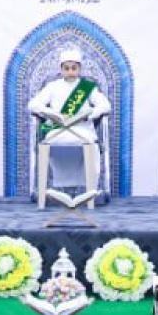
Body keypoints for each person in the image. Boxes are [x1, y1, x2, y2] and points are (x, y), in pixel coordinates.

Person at [27, 48, 111, 202]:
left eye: (74, 68)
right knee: (49, 141)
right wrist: (50, 113)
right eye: (67, 68)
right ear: (61, 69)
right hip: (58, 130)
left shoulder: (86, 87)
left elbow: (105, 105)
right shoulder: (52, 87)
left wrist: (88, 115)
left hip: (83, 130)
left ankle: (90, 194)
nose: (70, 72)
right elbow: (33, 104)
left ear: (79, 69)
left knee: (90, 144)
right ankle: (48, 194)